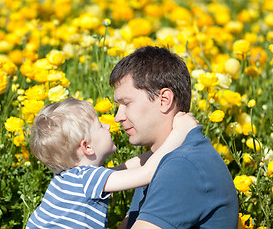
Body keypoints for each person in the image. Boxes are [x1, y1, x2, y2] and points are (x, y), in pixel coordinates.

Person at [109, 46, 239, 229]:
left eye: (126, 103)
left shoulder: (182, 165)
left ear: (164, 100)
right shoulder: (162, 158)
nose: (118, 116)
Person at [26, 97, 198, 229]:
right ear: (87, 147)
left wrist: (162, 145)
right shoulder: (88, 179)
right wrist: (180, 132)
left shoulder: (71, 178)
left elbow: (125, 169)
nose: (108, 127)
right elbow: (147, 173)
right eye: (100, 126)